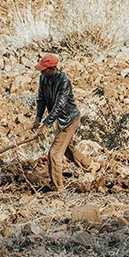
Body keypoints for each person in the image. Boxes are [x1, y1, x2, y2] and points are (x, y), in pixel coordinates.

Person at [31, 54, 97, 191]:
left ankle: (58, 189)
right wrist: (37, 118)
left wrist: (45, 125)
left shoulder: (64, 81)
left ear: (52, 68)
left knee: (54, 153)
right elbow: (41, 99)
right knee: (67, 149)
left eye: (44, 69)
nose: (41, 72)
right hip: (60, 119)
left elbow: (59, 106)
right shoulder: (43, 78)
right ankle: (91, 166)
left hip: (69, 119)